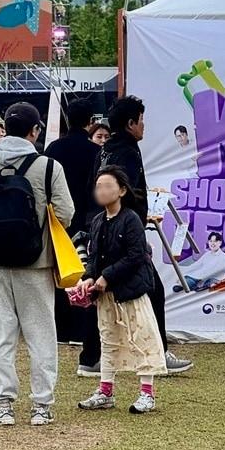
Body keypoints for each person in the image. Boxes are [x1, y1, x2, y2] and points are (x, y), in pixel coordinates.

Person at [0, 101, 74, 427]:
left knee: (0, 335)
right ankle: (41, 406)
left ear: (3, 127)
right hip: (36, 263)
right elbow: (66, 214)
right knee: (41, 334)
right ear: (34, 130)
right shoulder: (48, 167)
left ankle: (2, 405)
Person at [82, 96, 191, 378]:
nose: (144, 126)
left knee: (103, 293)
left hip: (104, 228)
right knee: (152, 290)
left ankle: (91, 357)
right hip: (121, 234)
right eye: (141, 120)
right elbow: (124, 194)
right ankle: (158, 355)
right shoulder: (127, 152)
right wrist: (135, 227)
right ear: (131, 124)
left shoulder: (105, 150)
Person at [76, 166, 167, 414]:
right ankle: (106, 391)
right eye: (98, 186)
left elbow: (137, 255)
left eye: (108, 186)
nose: (102, 191)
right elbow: (94, 257)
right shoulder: (96, 221)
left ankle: (147, 394)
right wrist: (89, 278)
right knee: (108, 340)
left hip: (131, 292)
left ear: (122, 190)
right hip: (106, 296)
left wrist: (107, 276)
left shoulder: (131, 219)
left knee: (142, 338)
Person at [44, 98, 101, 342]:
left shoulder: (53, 150)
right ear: (91, 122)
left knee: (58, 274)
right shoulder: (97, 152)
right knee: (84, 272)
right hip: (89, 221)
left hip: (56, 222)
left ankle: (60, 327)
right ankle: (82, 329)